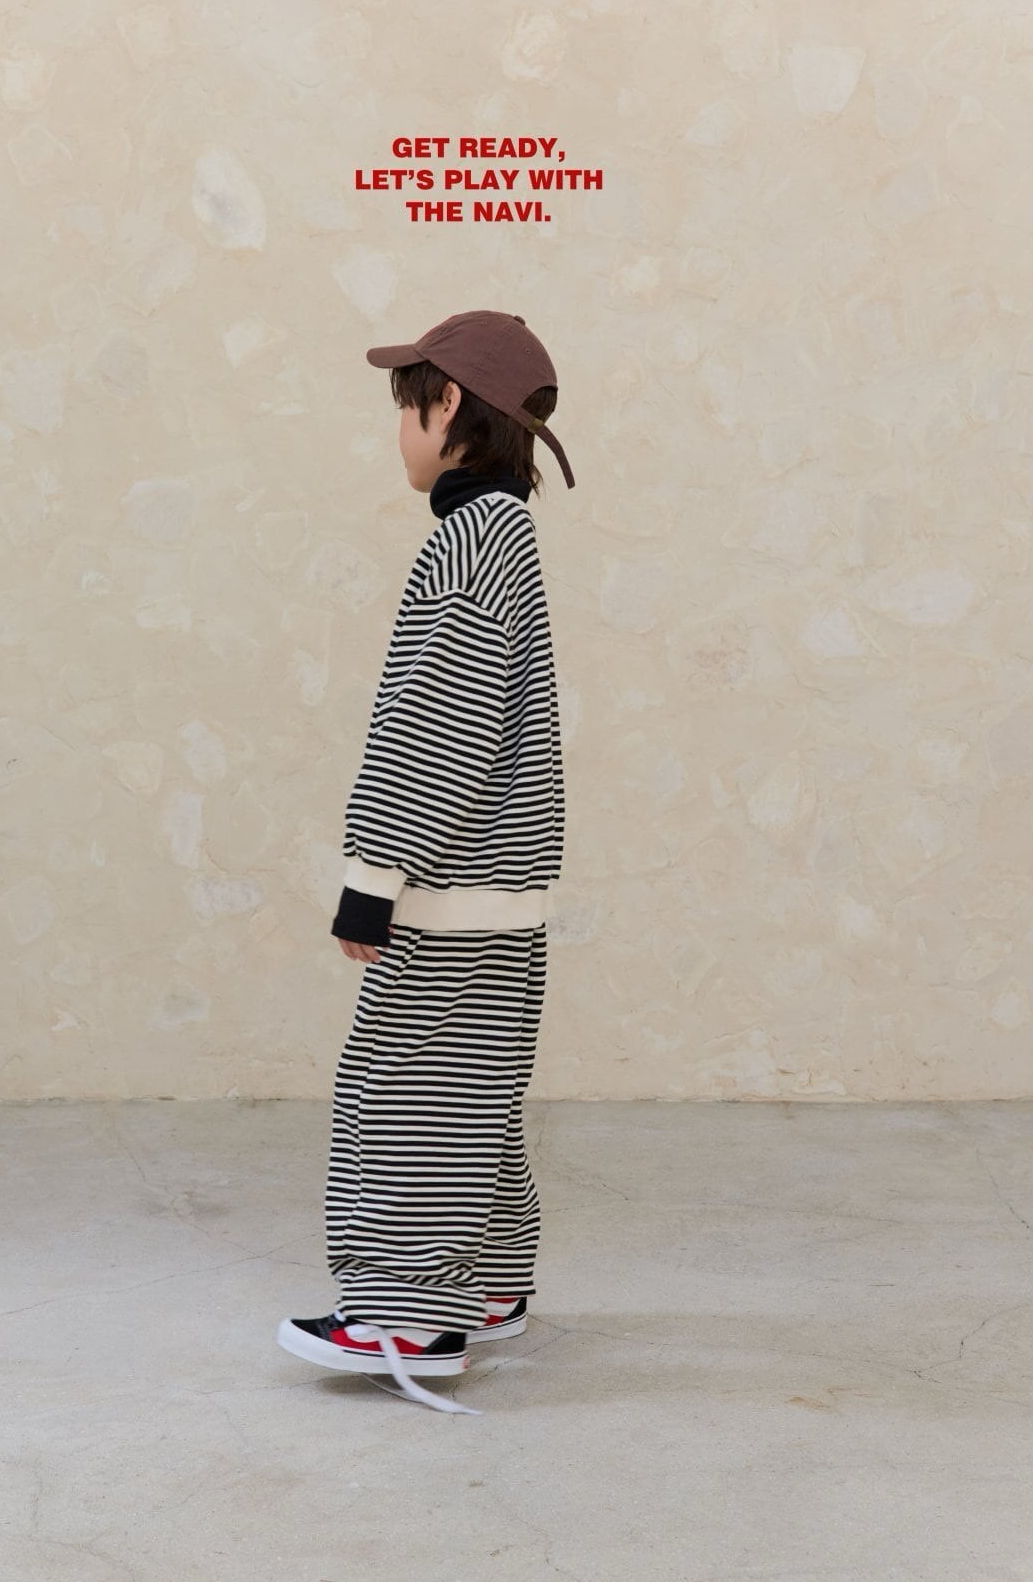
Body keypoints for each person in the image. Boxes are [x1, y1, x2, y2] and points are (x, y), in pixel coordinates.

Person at [276, 310, 575, 1414]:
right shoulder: (504, 532)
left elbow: (436, 722)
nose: (398, 433)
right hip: (498, 890)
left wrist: (374, 877)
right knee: (469, 1092)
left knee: (403, 1098)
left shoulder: (468, 544)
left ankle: (408, 1311)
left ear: (447, 404)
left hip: (449, 890)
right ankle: (488, 1281)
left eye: (406, 408)